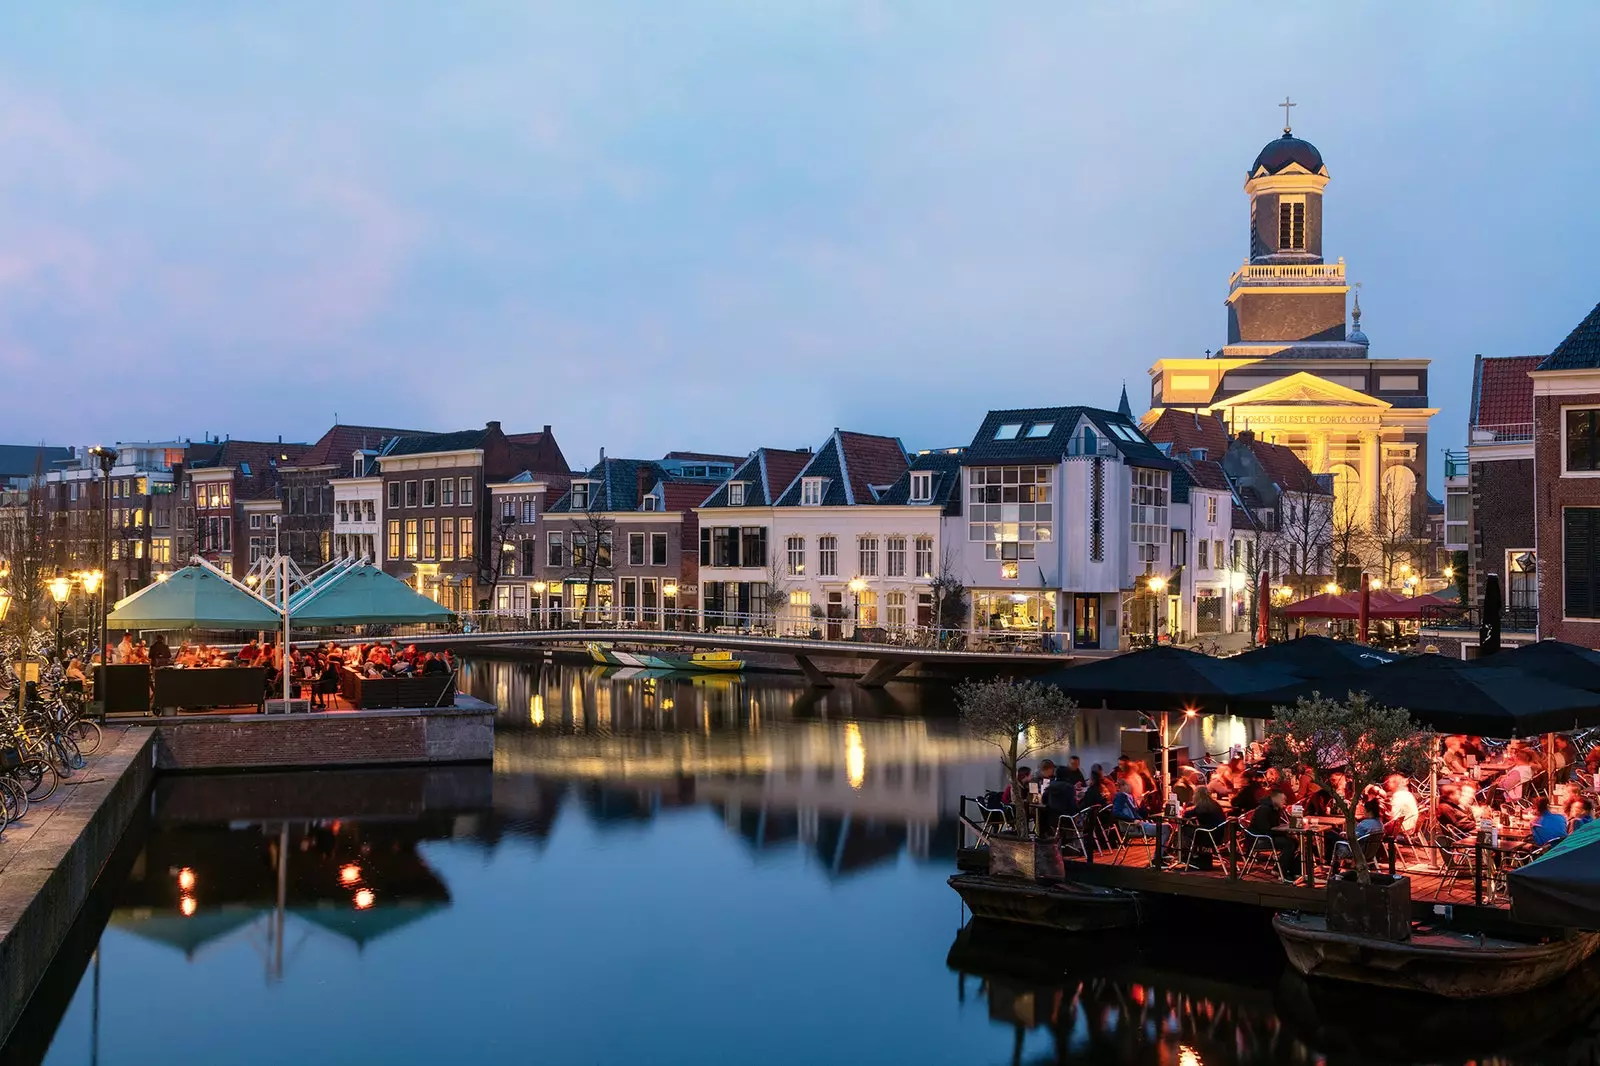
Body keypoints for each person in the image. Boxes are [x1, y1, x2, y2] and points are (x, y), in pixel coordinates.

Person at [1246, 789, 1299, 880]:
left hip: (1268, 836)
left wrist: (1286, 832)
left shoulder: (1275, 809)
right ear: (1276, 799)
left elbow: (1274, 826)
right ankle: (1280, 871)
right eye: (1283, 800)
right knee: (1289, 843)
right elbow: (1265, 829)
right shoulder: (1263, 809)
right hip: (1259, 839)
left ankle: (1291, 870)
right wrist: (1284, 833)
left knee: (1295, 841)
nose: (1285, 802)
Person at [1111, 780, 1172, 852]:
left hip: (1140, 825)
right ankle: (1159, 856)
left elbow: (1143, 815)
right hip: (1134, 827)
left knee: (1167, 827)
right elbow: (1115, 812)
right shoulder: (1121, 796)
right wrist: (1132, 820)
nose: (1132, 787)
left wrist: (1142, 803)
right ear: (1123, 786)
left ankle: (1161, 854)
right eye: (1130, 785)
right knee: (1166, 828)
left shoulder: (1130, 797)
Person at [1383, 773, 1420, 837]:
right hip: (1410, 826)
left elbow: (1393, 816)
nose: (1386, 783)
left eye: (1389, 782)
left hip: (1402, 828)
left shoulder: (1398, 796)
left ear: (1396, 783)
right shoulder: (1408, 794)